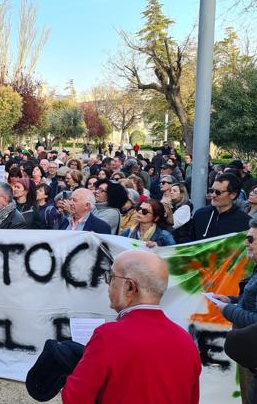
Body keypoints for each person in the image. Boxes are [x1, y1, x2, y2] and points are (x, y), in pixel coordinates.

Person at [62, 250, 201, 403]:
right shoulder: (186, 341)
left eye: (112, 277)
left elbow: (74, 399)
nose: (108, 284)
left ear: (129, 287)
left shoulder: (108, 336)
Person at [209, 219, 257, 402]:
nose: (246, 243)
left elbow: (255, 321)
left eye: (251, 239)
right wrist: (232, 300)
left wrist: (227, 309)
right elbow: (251, 303)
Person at [191, 173, 251, 241]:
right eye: (211, 190)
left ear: (233, 195)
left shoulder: (245, 222)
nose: (213, 195)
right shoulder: (200, 214)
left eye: (218, 192)